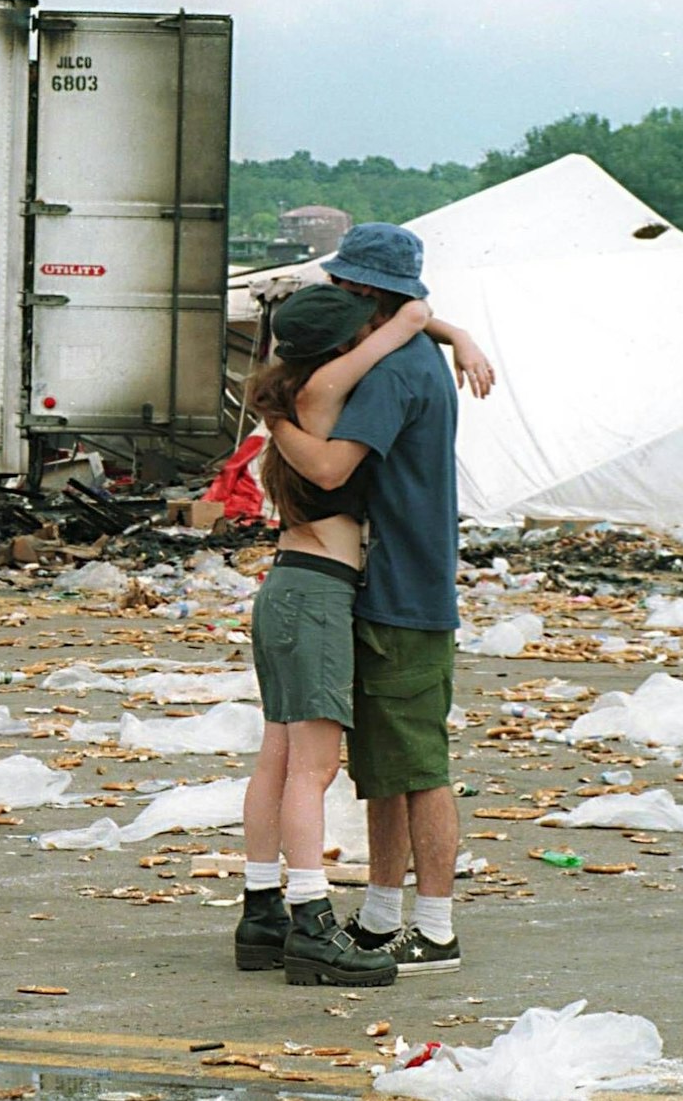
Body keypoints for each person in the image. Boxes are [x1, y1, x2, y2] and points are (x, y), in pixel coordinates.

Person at [264, 223, 493, 977]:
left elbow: (331, 470)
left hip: (402, 589)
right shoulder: (412, 349)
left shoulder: (393, 373)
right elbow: (418, 319)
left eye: (347, 287)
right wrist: (451, 329)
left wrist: (272, 422)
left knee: (418, 766)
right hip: (395, 585)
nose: (337, 298)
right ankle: (383, 914)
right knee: (386, 767)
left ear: (370, 295)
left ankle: (434, 927)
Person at [235, 283, 427, 986]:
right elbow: (387, 336)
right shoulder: (318, 395)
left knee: (278, 760)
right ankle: (311, 919)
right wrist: (413, 318)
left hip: (287, 584)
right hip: (317, 592)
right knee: (312, 770)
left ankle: (262, 910)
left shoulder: (291, 398)